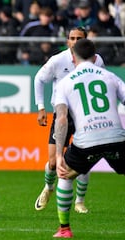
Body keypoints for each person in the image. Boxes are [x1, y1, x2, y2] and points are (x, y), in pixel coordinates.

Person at [53, 38, 125, 238]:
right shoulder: (110, 76)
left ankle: (64, 229)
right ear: (95, 58)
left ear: (73, 58)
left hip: (86, 143)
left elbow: (61, 119)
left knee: (65, 175)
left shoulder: (65, 83)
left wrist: (59, 154)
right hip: (116, 139)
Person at [33, 27, 105, 213]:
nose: (74, 41)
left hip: (86, 117)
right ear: (67, 41)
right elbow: (39, 79)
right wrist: (40, 107)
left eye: (78, 38)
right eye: (71, 38)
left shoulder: (97, 61)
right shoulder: (58, 60)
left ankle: (79, 201)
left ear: (86, 41)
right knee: (53, 162)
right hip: (62, 115)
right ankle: (48, 187)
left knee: (84, 161)